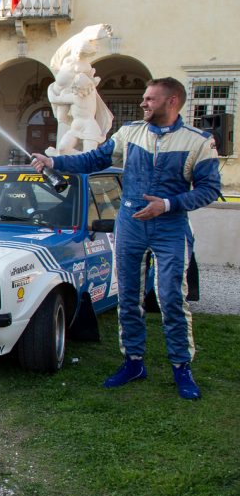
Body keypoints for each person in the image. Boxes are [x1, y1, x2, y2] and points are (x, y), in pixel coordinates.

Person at [30, 77, 221, 400]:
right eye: (144, 98)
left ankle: (181, 368)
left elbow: (210, 189)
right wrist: (55, 162)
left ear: (172, 101)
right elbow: (94, 159)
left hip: (171, 227)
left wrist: (167, 205)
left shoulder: (198, 141)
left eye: (150, 99)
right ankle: (133, 362)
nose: (143, 103)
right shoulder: (130, 133)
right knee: (129, 297)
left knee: (171, 298)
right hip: (130, 225)